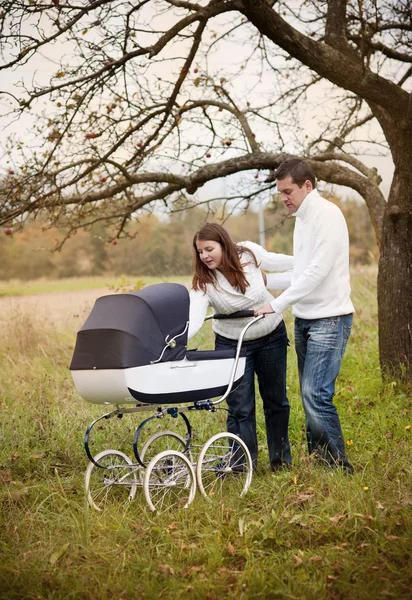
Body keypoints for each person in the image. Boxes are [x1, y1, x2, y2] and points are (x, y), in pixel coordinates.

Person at [255, 158, 355, 473]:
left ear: (307, 186)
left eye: (288, 191)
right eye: (280, 192)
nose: (284, 197)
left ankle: (338, 467)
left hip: (330, 318)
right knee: (310, 395)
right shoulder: (302, 219)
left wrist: (276, 303)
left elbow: (317, 272)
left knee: (316, 394)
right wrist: (266, 283)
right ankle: (319, 463)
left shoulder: (327, 215)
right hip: (306, 319)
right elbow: (301, 272)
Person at [188, 222, 294, 471]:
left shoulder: (248, 253)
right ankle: (242, 465)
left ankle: (280, 462)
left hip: (271, 336)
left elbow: (281, 262)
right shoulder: (203, 282)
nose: (204, 256)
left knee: (276, 401)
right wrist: (177, 339)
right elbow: (193, 317)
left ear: (224, 244)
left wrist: (312, 262)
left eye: (209, 249)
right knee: (240, 407)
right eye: (200, 251)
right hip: (232, 345)